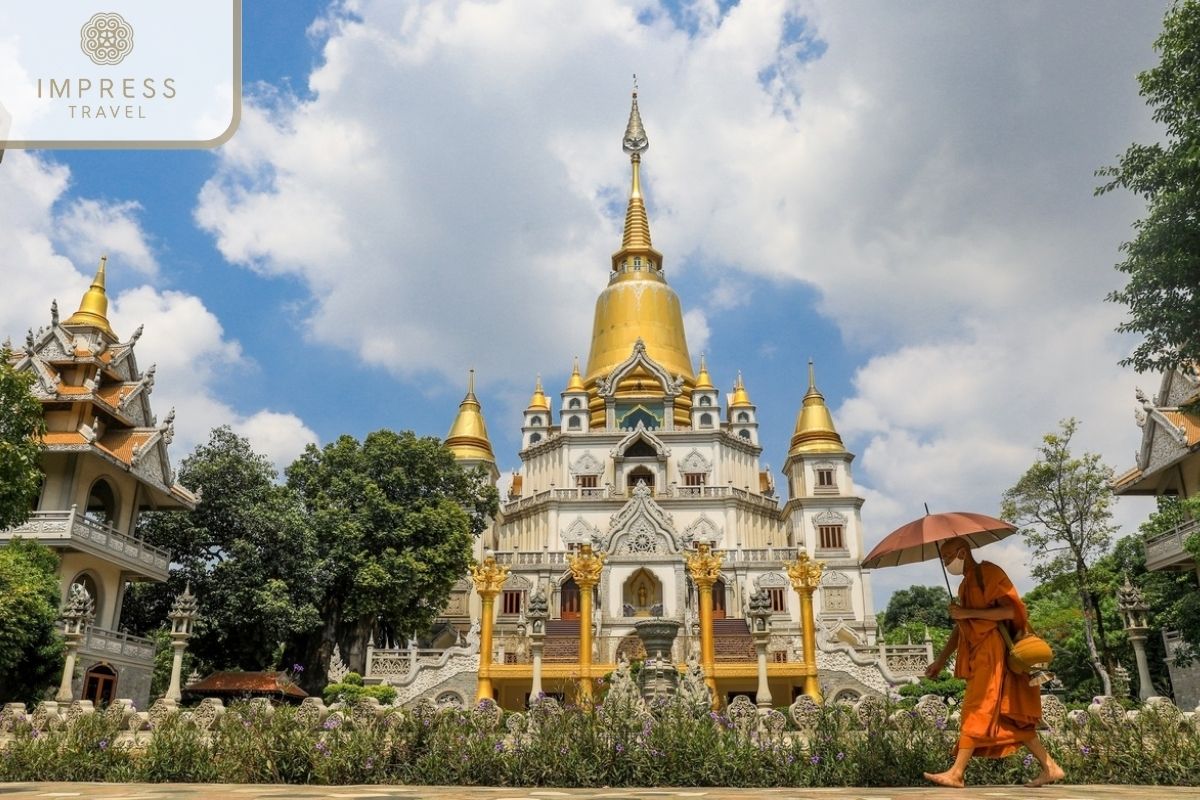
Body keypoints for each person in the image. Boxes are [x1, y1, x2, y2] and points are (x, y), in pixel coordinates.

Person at [922, 536, 1064, 789]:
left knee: (976, 707)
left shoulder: (988, 572)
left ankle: (956, 773)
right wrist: (940, 661)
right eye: (943, 558)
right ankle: (1050, 767)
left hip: (993, 650)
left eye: (948, 557)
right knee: (1006, 717)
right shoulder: (965, 586)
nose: (946, 563)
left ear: (963, 552)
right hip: (979, 652)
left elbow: (1012, 611)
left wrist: (967, 612)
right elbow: (961, 629)